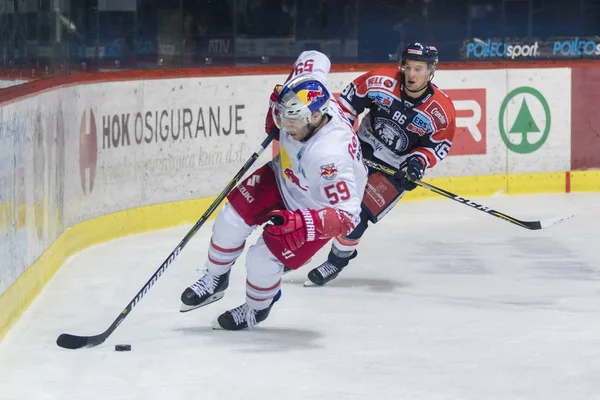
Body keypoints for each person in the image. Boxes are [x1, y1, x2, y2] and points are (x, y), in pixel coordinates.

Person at [179, 50, 368, 330]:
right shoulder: (308, 91)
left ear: (317, 117)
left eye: (293, 120)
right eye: (284, 117)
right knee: (230, 220)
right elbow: (314, 57)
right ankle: (215, 278)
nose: (286, 126)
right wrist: (279, 105)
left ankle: (257, 308)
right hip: (284, 175)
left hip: (312, 208)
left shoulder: (329, 157)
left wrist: (304, 222)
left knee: (261, 258)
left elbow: (348, 216)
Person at [306, 42, 457, 286]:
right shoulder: (380, 81)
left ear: (431, 71)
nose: (411, 74)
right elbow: (346, 104)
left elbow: (437, 146)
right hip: (361, 146)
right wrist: (341, 139)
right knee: (327, 199)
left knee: (359, 215)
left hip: (397, 165)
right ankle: (300, 250)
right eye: (408, 67)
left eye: (419, 69)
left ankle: (336, 261)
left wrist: (416, 163)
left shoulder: (441, 110)